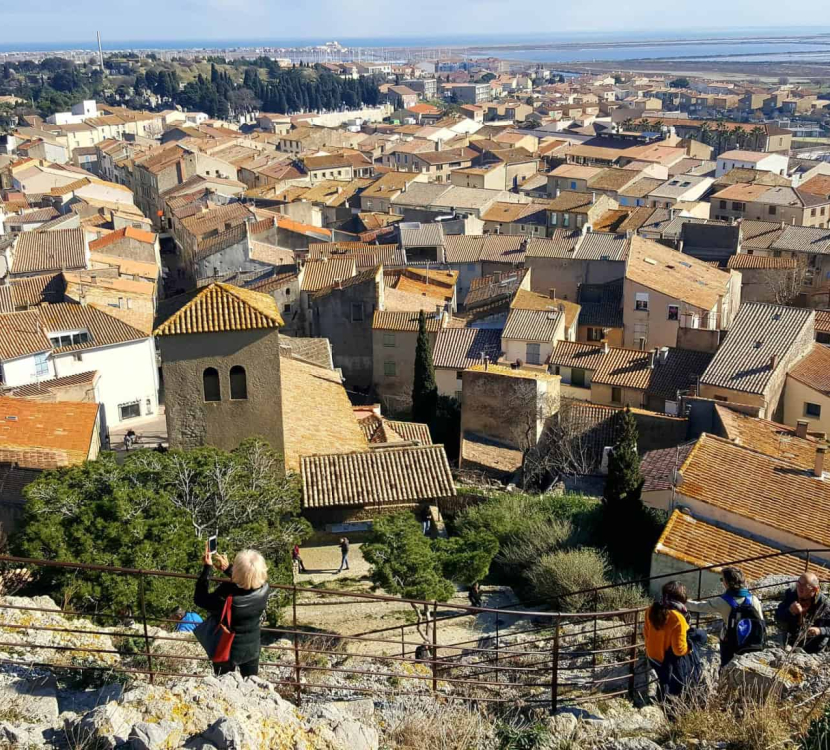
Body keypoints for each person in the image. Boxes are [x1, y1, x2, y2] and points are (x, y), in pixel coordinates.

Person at [194, 541, 270, 677]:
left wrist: (207, 568)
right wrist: (228, 568)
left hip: (227, 649)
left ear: (237, 572)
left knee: (224, 683)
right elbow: (249, 581)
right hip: (252, 647)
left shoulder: (226, 595)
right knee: (251, 682)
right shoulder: (265, 589)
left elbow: (200, 599)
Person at [686, 566, 765, 667]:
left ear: (727, 583)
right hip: (753, 642)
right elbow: (761, 622)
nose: (722, 582)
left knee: (726, 667)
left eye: (722, 579)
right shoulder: (754, 600)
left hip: (731, 643)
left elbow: (700, 606)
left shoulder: (723, 601)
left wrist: (683, 602)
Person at [643, 581, 706, 699]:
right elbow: (679, 650)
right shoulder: (678, 618)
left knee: (663, 680)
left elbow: (646, 633)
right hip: (667, 659)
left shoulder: (650, 609)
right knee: (700, 637)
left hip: (652, 655)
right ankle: (670, 706)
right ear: (681, 598)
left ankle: (661, 700)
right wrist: (691, 648)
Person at [776, 572, 830, 654]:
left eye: (804, 586)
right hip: (792, 640)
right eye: (798, 584)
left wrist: (820, 630)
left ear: (815, 589)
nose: (799, 588)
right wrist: (789, 611)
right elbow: (778, 615)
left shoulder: (825, 604)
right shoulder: (791, 594)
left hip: (814, 645)